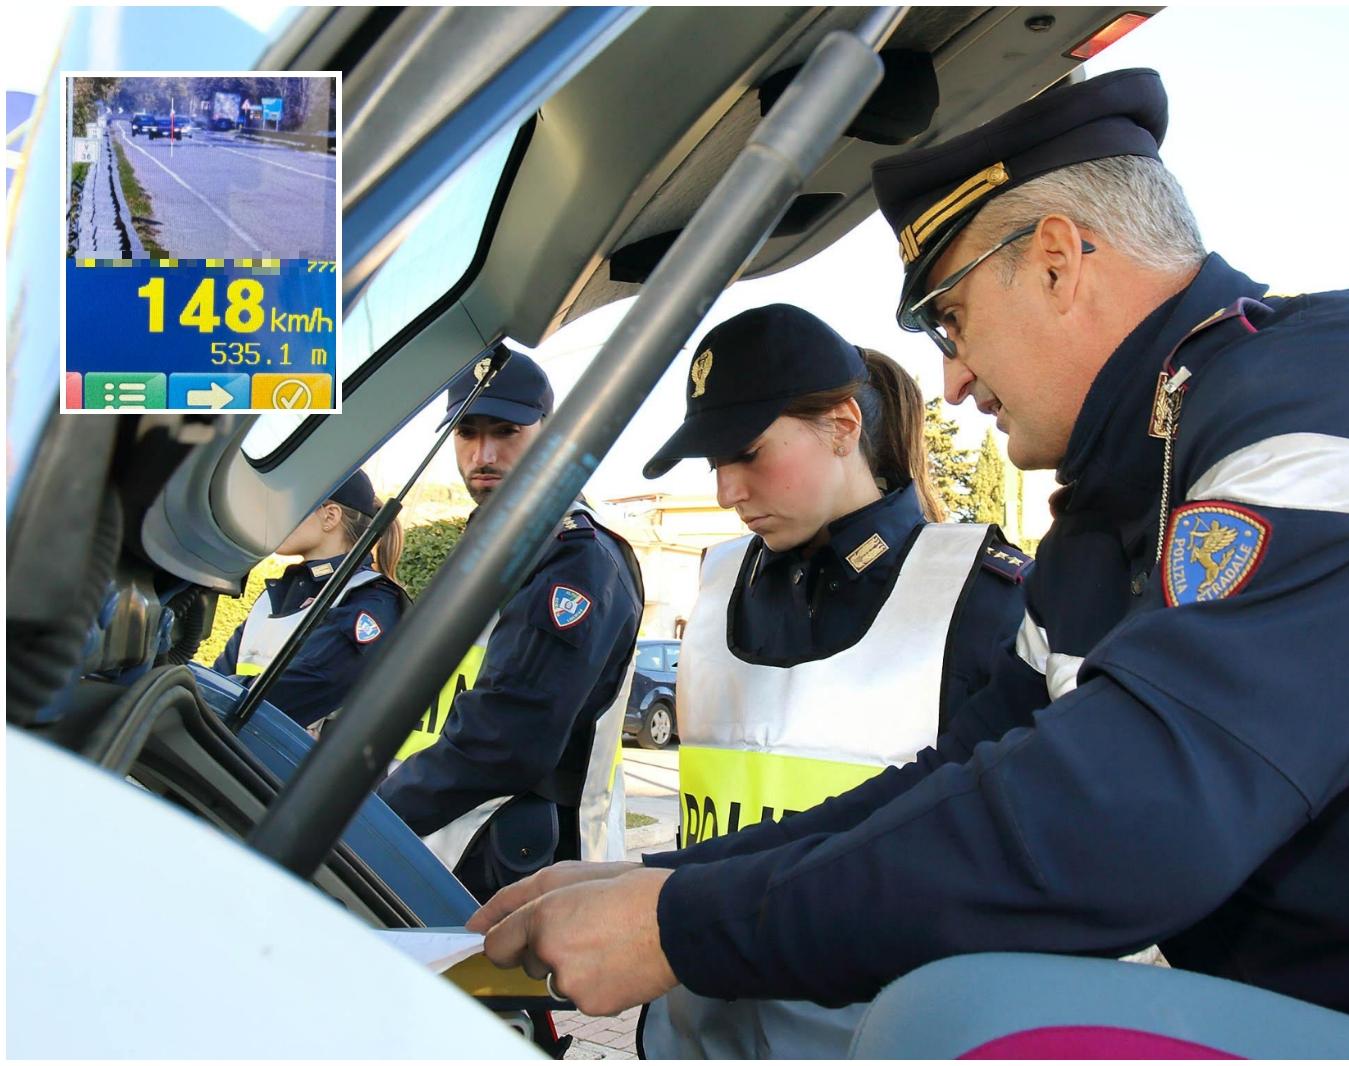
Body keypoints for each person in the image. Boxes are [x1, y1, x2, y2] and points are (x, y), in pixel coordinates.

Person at [465, 69, 1349, 1058]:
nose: (949, 381)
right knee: (729, 997)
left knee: (955, 1027)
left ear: (1055, 261)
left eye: (947, 321)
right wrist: (672, 890)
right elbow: (966, 770)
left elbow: (1128, 815)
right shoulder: (1124, 501)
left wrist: (683, 928)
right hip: (1335, 1012)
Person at [634, 303, 1032, 1057]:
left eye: (748, 453)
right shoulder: (717, 580)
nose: (725, 492)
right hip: (695, 1032)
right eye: (714, 463)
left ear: (844, 426)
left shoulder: (979, 598)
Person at [378, 347, 646, 904]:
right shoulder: (493, 546)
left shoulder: (574, 558)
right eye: (467, 432)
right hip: (449, 846)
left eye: (506, 431)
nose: (484, 454)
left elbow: (506, 740)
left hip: (519, 870)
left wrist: (369, 818)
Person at [211, 470, 408, 729]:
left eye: (292, 507)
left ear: (330, 516)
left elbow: (292, 691)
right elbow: (216, 681)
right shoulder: (276, 595)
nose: (276, 518)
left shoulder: (370, 600)